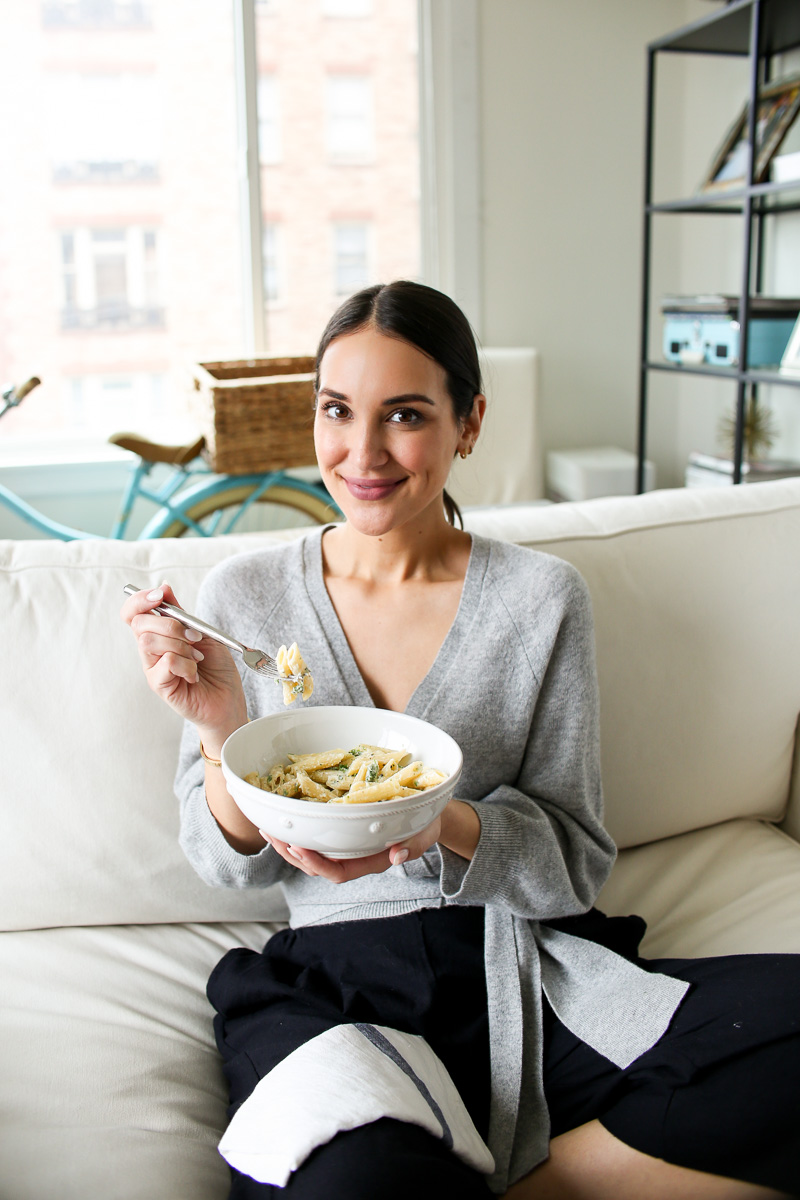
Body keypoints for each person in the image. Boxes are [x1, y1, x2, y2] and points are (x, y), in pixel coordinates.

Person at [122, 280, 799, 1200]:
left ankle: (547, 1182)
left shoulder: (539, 599)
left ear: (468, 422)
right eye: (337, 412)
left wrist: (443, 825)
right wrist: (217, 733)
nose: (362, 455)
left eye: (404, 415)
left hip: (524, 971)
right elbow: (230, 868)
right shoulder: (245, 597)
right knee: (345, 1177)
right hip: (336, 983)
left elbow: (575, 861)